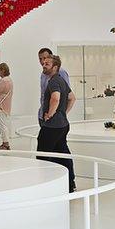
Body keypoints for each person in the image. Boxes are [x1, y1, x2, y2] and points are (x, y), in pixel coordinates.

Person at [38, 55, 76, 192]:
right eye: (43, 62)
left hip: (52, 126)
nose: (43, 64)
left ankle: (45, 185)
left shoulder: (53, 81)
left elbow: (55, 98)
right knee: (63, 153)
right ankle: (70, 183)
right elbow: (72, 98)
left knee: (43, 155)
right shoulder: (61, 81)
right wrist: (63, 113)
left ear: (55, 67)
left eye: (47, 63)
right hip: (63, 125)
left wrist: (50, 114)